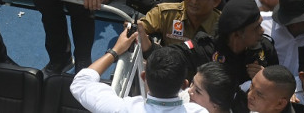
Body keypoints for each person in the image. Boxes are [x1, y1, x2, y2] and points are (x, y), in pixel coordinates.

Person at [70, 38, 208, 113]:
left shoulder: (122, 109)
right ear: (184, 84)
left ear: (143, 77)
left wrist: (115, 51)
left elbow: (81, 83)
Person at [140, 0, 222, 48]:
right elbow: (136, 30)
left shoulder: (223, 24)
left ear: (216, 2)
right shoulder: (165, 13)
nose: (194, 1)